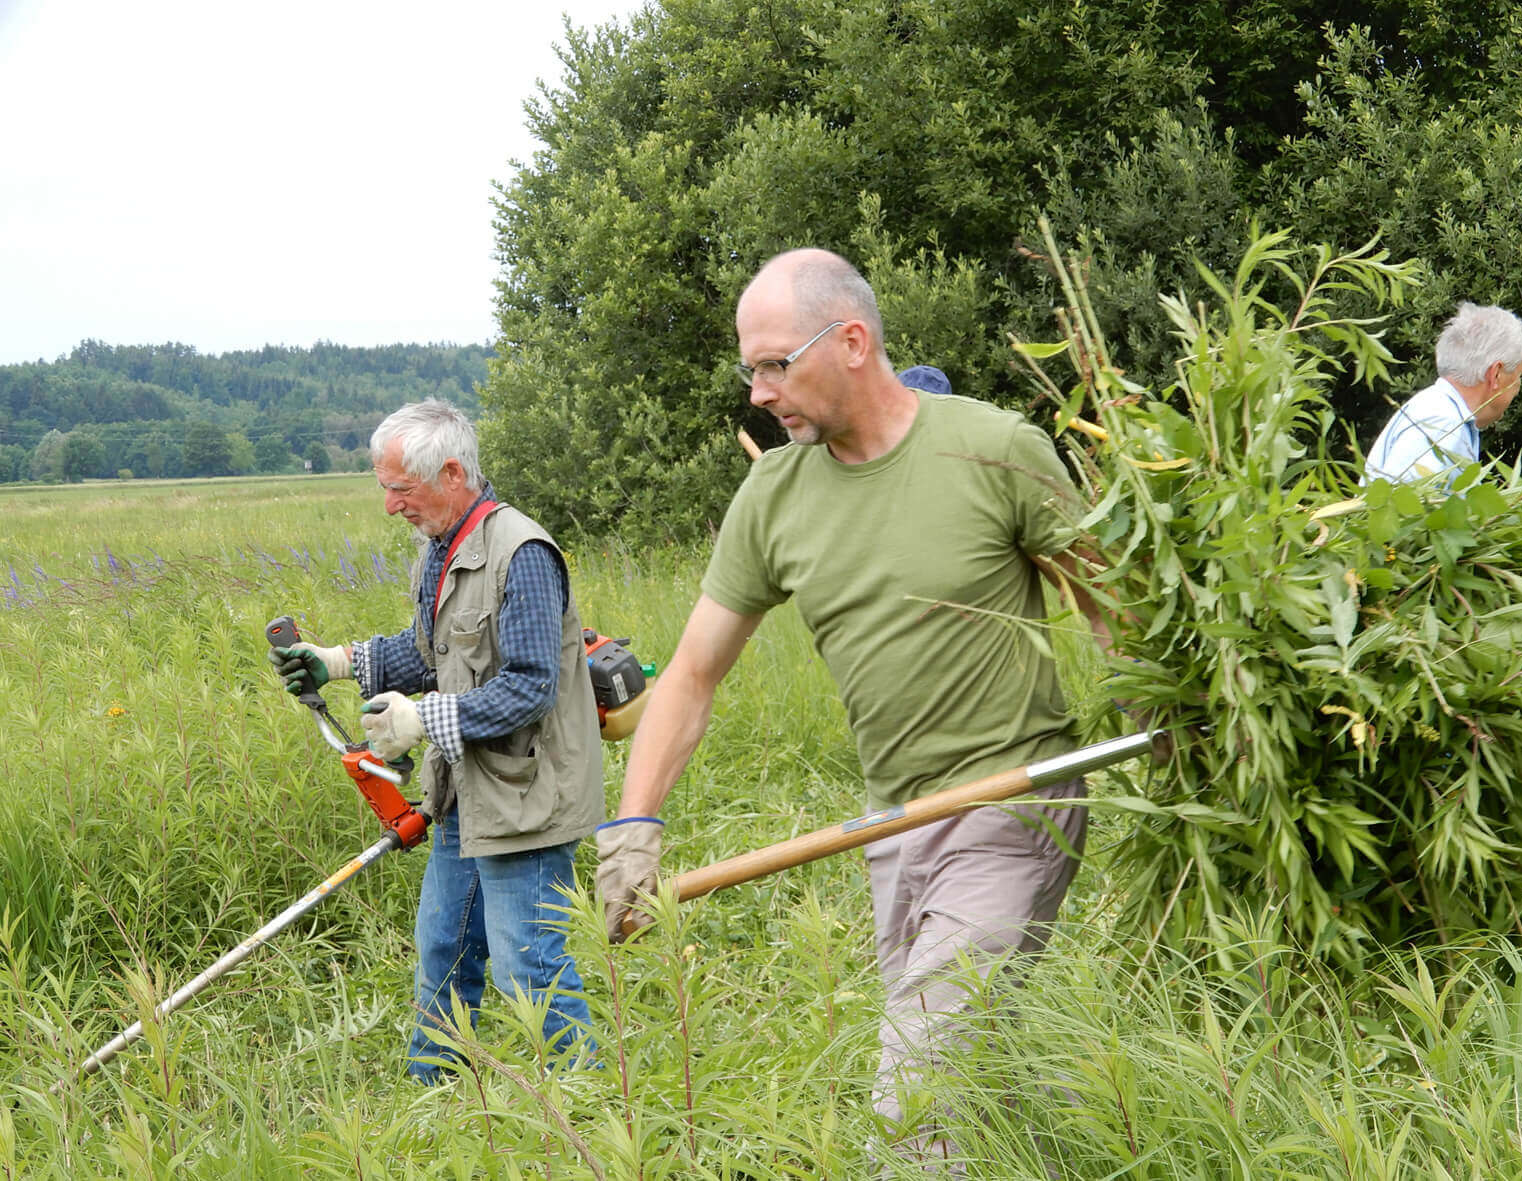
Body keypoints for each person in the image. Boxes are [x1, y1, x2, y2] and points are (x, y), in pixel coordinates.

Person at [597, 249, 1095, 1168]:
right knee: (984, 1074)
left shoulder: (994, 448)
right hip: (892, 824)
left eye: (774, 363)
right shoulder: (776, 493)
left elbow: (1115, 606)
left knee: (914, 1095)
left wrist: (1198, 714)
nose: (757, 391)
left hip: (1014, 802)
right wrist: (633, 823)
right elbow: (693, 676)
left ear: (853, 342)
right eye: (751, 366)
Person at [269, 400, 602, 1083]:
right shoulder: (441, 551)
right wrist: (336, 661)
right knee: (443, 949)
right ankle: (435, 1099)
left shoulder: (523, 552)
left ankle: (587, 1110)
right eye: (384, 487)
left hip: (526, 798)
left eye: (401, 488)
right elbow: (430, 653)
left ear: (451, 472)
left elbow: (532, 686)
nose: (390, 505)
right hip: (463, 793)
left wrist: (424, 721)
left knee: (527, 967)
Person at [1364, 302, 1522, 484]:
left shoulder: (1438, 412)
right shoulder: (1442, 425)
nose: (1518, 387)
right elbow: (1408, 505)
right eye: (1518, 375)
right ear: (1496, 374)